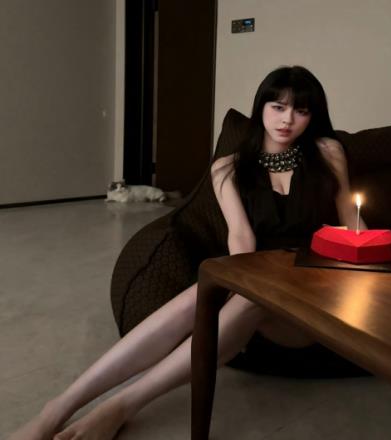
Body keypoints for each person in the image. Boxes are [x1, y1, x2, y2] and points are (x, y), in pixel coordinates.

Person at [8, 65, 366, 440]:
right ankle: (57, 408)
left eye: (301, 111)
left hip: (310, 298)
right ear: (261, 107)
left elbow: (352, 221)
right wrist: (235, 289)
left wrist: (374, 260)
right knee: (209, 292)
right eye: (278, 107)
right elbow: (240, 239)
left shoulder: (328, 152)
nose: (287, 120)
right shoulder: (227, 168)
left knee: (251, 298)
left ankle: (121, 406)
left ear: (313, 115)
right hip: (257, 283)